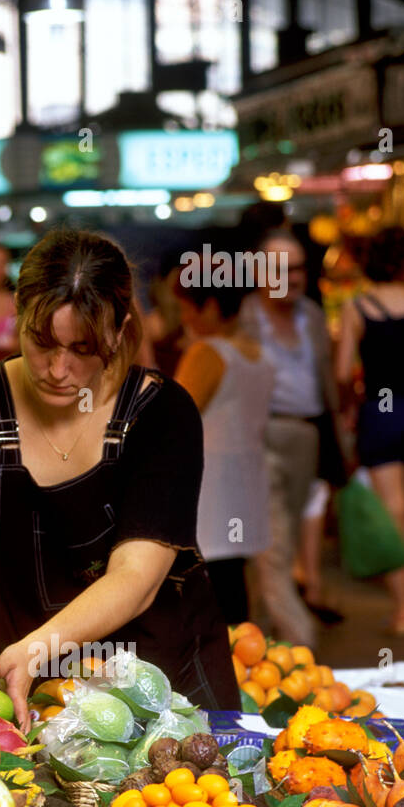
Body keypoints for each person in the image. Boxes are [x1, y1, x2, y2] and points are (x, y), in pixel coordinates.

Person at [0, 229, 241, 725]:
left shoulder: (161, 413)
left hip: (165, 685)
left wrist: (38, 649)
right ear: (19, 313)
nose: (58, 369)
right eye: (43, 342)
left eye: (83, 348)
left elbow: (135, 577)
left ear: (118, 331)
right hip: (31, 687)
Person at [238, 229, 345, 649]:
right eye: (283, 268)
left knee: (272, 545)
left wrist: (337, 439)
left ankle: (253, 640)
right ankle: (300, 645)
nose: (294, 277)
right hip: (260, 437)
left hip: (306, 435)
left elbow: (326, 383)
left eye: (299, 267)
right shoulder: (243, 317)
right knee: (275, 545)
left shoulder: (312, 315)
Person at [334, 226, 404, 635]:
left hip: (380, 409)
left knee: (390, 510)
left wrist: (348, 404)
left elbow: (342, 371)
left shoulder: (356, 307)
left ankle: (403, 606)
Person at [172, 263, 275, 624]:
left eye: (187, 307)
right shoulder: (258, 354)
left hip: (212, 486)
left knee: (211, 585)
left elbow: (174, 416)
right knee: (235, 582)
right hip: (246, 479)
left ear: (211, 307)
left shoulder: (208, 352)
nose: (183, 318)